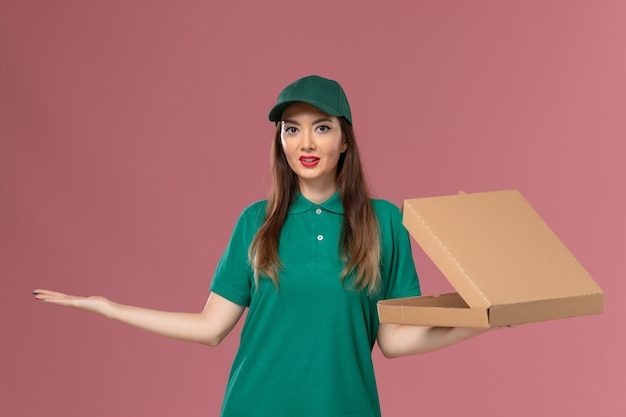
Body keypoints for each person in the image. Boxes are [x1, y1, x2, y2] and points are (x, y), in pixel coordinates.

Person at [34, 75, 492, 417]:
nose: (305, 142)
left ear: (345, 138)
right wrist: (110, 307)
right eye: (292, 129)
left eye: (322, 127)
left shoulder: (385, 222)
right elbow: (211, 328)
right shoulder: (256, 222)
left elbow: (395, 339)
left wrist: (487, 319)